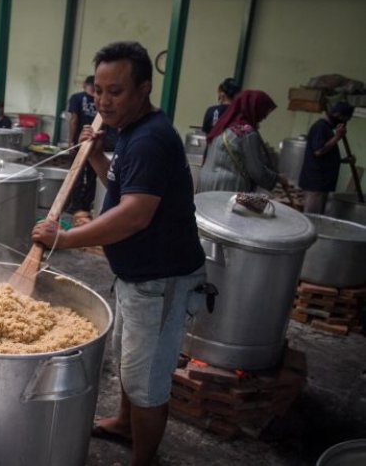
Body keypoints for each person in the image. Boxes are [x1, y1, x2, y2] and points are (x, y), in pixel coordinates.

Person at [32, 41, 206, 466]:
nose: (104, 102)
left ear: (143, 89)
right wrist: (96, 158)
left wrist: (64, 238)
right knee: (131, 361)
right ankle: (126, 424)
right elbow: (124, 183)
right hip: (136, 274)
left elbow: (135, 215)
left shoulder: (151, 139)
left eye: (116, 92)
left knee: (146, 381)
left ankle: (143, 459)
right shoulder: (130, 131)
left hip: (161, 278)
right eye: (99, 92)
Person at [197, 90, 289, 193]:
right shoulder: (247, 133)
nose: (264, 117)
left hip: (205, 183)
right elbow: (256, 171)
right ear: (254, 109)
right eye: (264, 112)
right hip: (226, 188)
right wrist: (277, 178)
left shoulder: (223, 125)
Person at [298, 101, 356, 214]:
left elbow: (326, 156)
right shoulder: (320, 127)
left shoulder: (328, 129)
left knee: (319, 215)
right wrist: (337, 137)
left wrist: (344, 160)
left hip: (323, 183)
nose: (345, 123)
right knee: (313, 216)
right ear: (338, 115)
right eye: (345, 119)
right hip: (316, 182)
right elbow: (318, 151)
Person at [67, 75, 98, 222]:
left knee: (76, 173)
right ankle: (86, 206)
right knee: (92, 175)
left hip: (82, 139)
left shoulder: (76, 98)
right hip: (96, 141)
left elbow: (74, 120)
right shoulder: (100, 99)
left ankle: (76, 206)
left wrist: (71, 141)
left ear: (85, 85)